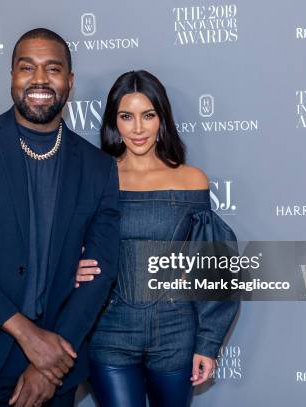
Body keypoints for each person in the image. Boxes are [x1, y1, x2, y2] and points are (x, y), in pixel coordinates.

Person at [0, 28, 120, 407]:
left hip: (57, 364)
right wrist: (30, 337)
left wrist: (52, 363)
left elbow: (100, 272)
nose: (40, 80)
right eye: (27, 67)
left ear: (70, 81)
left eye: (53, 68)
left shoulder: (98, 168)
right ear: (12, 76)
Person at [75, 70, 239, 407]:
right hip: (109, 330)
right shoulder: (93, 177)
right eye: (126, 116)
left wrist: (208, 343)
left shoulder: (191, 180)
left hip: (175, 331)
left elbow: (213, 267)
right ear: (113, 122)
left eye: (148, 115)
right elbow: (60, 244)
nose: (137, 129)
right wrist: (70, 268)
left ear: (162, 119)